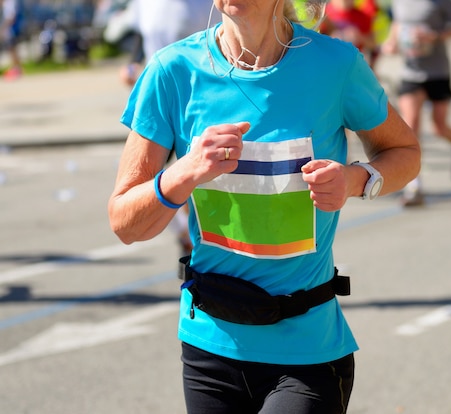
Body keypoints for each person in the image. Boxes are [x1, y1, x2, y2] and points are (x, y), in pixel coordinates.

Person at [108, 0, 421, 412]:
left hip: (307, 352)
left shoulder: (335, 64)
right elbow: (125, 223)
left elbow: (405, 152)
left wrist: (354, 180)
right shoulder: (173, 71)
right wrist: (184, 172)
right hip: (211, 350)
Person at [116, 0, 221, 256]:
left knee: (197, 178)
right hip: (160, 100)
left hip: (203, 102)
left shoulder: (212, 4)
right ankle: (188, 238)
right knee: (150, 184)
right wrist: (132, 66)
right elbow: (143, 37)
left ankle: (195, 240)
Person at [381, 0, 451, 207]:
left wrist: (437, 36)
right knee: (411, 128)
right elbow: (398, 25)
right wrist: (391, 43)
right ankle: (414, 187)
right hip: (411, 73)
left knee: (439, 127)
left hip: (438, 72)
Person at [320, 0, 379, 68]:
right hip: (330, 62)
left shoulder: (363, 16)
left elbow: (373, 44)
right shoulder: (323, 14)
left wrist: (360, 37)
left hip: (354, 64)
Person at [0, 0, 23, 81]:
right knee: (11, 49)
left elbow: (10, 18)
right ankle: (16, 68)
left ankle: (17, 69)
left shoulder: (10, 3)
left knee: (12, 49)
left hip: (11, 30)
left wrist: (3, 29)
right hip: (9, 29)